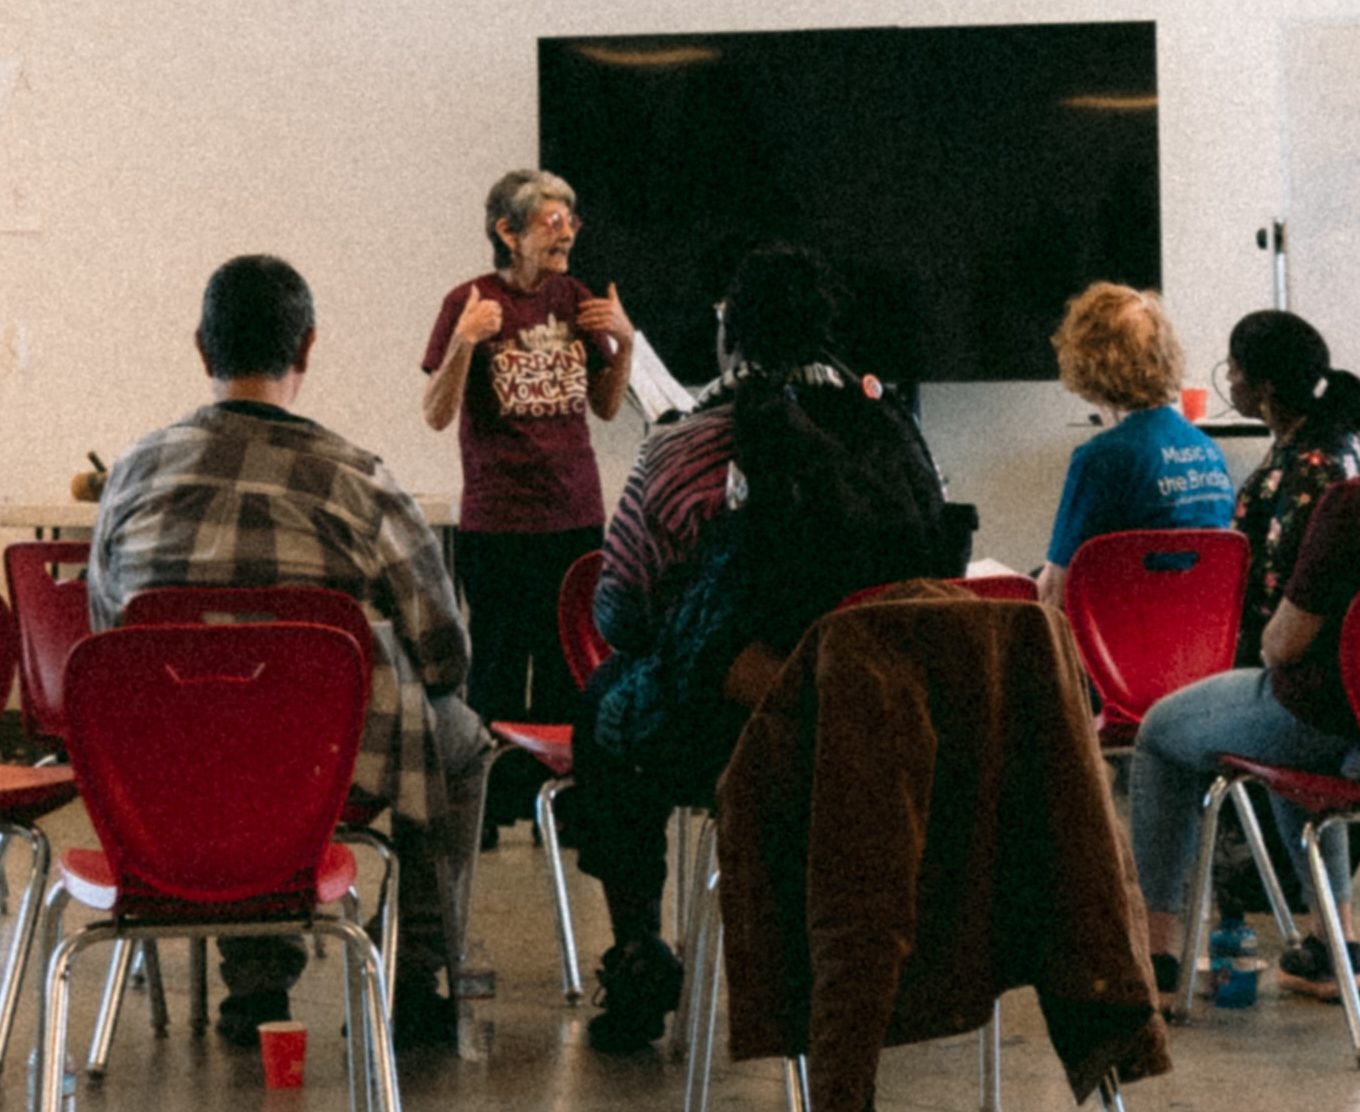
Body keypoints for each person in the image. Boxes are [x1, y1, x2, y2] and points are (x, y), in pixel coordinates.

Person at [88, 255, 488, 1047]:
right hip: (333, 764)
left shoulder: (131, 475)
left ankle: (257, 984)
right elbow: (445, 656)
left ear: (202, 351)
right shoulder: (358, 481)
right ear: (306, 348)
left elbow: (108, 639)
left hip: (173, 765)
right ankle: (412, 975)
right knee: (461, 742)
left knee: (228, 740)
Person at [571, 244, 961, 1053]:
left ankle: (639, 955)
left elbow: (619, 610)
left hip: (729, 732)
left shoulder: (684, 447)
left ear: (730, 335)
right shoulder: (897, 437)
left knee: (606, 704)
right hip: (879, 730)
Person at [1128, 269, 1360, 1005]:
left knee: (1161, 732)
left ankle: (1157, 955)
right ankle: (1336, 951)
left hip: (1339, 722)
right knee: (1297, 729)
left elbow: (1281, 647)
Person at [420, 170, 633, 839]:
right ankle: (487, 816)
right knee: (499, 672)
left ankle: (564, 814)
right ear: (507, 232)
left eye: (571, 217)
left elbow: (602, 406)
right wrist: (464, 341)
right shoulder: (469, 301)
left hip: (574, 516)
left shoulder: (577, 300)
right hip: (498, 522)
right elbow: (435, 414)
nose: (566, 229)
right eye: (550, 219)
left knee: (573, 672)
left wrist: (624, 343)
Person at [1215, 310, 1360, 914]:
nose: (1227, 380)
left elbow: (1285, 603)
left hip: (1302, 676)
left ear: (1261, 387)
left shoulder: (1307, 467)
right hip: (1354, 677)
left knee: (1159, 730)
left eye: (1233, 367)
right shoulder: (1341, 443)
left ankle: (1159, 939)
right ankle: (1325, 926)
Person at [1035, 283, 1234, 607]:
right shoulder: (1209, 451)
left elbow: (1056, 592)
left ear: (1087, 360)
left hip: (1112, 645)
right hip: (1195, 645)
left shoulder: (1100, 459)